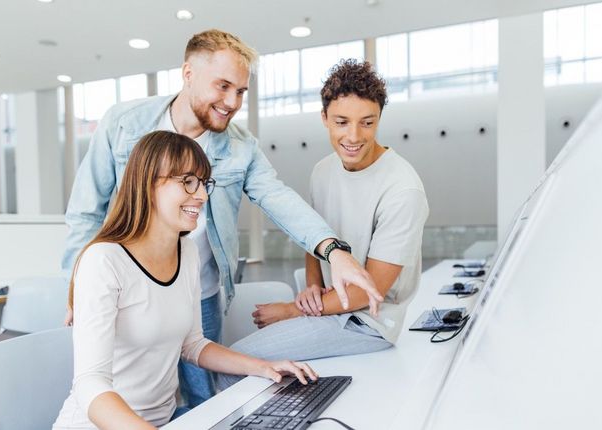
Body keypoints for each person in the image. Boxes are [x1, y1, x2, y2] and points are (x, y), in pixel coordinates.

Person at [62, 29, 382, 409]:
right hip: (127, 291)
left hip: (198, 287)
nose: (232, 102)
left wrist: (334, 251)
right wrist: (77, 284)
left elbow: (277, 198)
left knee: (201, 398)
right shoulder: (124, 124)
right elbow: (86, 210)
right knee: (122, 390)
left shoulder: (240, 145)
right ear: (188, 73)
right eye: (224, 86)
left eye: (242, 92)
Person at [53, 131, 317, 430]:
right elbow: (90, 384)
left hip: (164, 421)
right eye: (188, 182)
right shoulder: (104, 260)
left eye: (204, 183)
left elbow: (192, 344)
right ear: (148, 184)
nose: (203, 195)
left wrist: (263, 368)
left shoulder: (187, 251)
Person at [218, 59, 429, 388]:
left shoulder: (403, 189)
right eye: (342, 122)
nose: (354, 136)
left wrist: (292, 310)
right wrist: (312, 286)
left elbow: (368, 294)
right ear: (324, 118)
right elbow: (314, 237)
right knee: (233, 357)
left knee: (235, 360)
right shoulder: (323, 170)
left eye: (367, 123)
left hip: (368, 322)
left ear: (379, 120)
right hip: (334, 308)